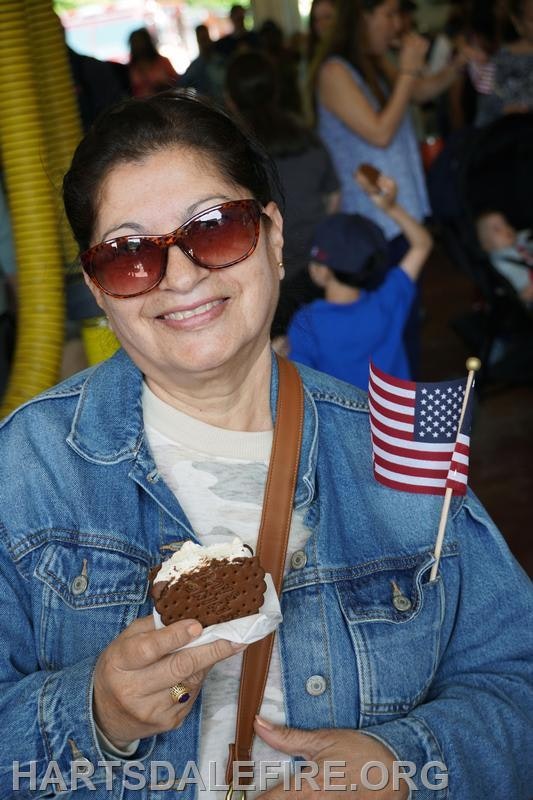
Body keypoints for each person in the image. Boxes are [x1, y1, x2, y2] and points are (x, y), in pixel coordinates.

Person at [0, 91, 532, 800]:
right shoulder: (28, 467)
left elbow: (517, 681)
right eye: (128, 255)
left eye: (215, 228)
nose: (181, 276)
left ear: (274, 236)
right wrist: (93, 713)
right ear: (98, 289)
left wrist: (400, 766)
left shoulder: (397, 448)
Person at [312, 0, 473, 246]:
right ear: (363, 18)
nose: (397, 25)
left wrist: (457, 65)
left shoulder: (375, 61)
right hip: (370, 214)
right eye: (389, 15)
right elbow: (380, 134)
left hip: (400, 204)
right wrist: (408, 69)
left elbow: (416, 93)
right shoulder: (334, 72)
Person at [225, 51, 339, 338]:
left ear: (230, 98)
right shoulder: (305, 135)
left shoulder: (231, 151)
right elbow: (333, 196)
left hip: (269, 280)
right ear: (276, 90)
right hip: (319, 269)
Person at [288, 170, 431, 389]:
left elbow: (300, 387)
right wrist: (391, 207)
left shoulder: (306, 323)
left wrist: (279, 357)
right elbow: (422, 244)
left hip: (344, 413)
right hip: (394, 411)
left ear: (322, 272)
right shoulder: (388, 300)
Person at [476, 0, 533, 126]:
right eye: (532, 20)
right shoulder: (497, 63)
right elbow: (483, 113)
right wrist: (504, 111)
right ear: (517, 22)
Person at [476, 209, 533, 304]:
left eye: (505, 224)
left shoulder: (514, 243)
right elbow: (524, 294)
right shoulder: (501, 261)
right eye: (497, 229)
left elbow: (524, 235)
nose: (505, 229)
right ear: (487, 243)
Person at [128, 27, 178, 98]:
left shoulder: (163, 62)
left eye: (141, 41)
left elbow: (177, 82)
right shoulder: (131, 68)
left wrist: (164, 85)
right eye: (135, 42)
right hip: (141, 103)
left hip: (165, 100)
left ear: (148, 42)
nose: (139, 45)